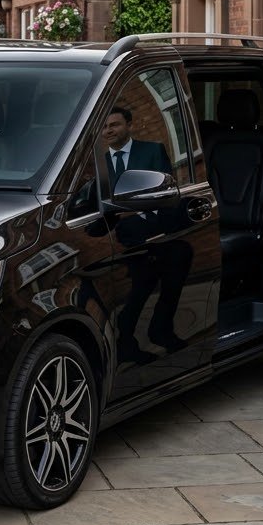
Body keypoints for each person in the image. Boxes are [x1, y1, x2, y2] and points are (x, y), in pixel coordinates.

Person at [102, 107, 190, 362]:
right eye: (105, 127)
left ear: (129, 125)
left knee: (180, 255)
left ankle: (160, 329)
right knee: (140, 281)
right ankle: (129, 340)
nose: (109, 130)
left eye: (115, 125)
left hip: (152, 227)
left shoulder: (152, 151)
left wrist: (146, 219)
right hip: (118, 234)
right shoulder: (98, 163)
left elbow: (166, 191)